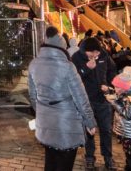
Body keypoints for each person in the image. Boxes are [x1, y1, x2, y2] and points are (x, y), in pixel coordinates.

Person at [29, 26, 97, 171]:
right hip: (67, 125)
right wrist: (90, 121)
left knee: (50, 162)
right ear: (62, 48)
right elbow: (81, 97)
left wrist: (44, 111)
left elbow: (33, 96)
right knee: (64, 164)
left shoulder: (34, 64)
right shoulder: (68, 66)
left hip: (46, 124)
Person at [71, 37, 116, 170]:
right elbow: (73, 78)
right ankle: (89, 157)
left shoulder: (104, 55)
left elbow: (112, 70)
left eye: (97, 52)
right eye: (92, 53)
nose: (95, 55)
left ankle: (108, 157)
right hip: (86, 100)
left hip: (103, 99)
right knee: (89, 130)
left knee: (106, 130)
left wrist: (108, 85)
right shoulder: (76, 58)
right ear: (85, 51)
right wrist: (86, 68)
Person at [107, 67, 131, 170]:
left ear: (124, 87)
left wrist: (113, 103)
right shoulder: (123, 94)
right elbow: (119, 100)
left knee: (130, 156)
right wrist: (111, 93)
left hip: (130, 133)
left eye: (117, 87)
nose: (115, 89)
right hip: (125, 131)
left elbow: (128, 114)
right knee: (129, 154)